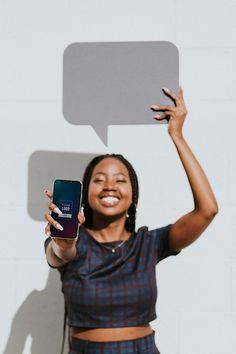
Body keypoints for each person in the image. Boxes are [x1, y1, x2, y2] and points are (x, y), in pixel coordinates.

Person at [44, 87, 218, 354]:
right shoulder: (71, 241)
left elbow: (207, 210)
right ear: (86, 195)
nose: (109, 186)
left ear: (132, 198)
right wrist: (64, 242)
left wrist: (177, 135)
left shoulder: (149, 244)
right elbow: (60, 253)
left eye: (120, 180)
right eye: (99, 180)